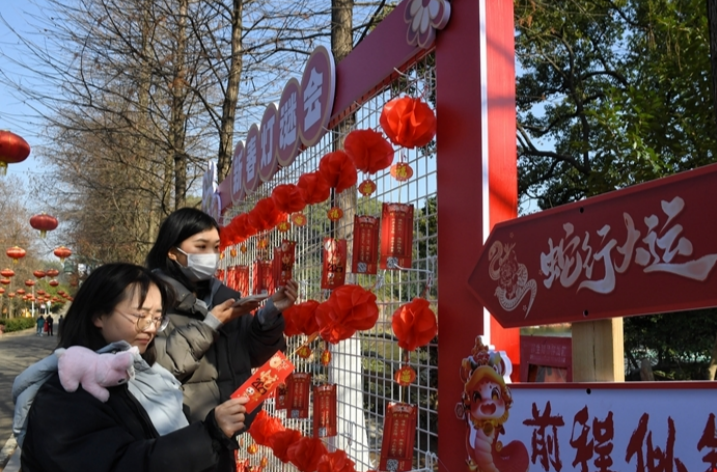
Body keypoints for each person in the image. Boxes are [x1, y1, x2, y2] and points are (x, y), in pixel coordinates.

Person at [16, 263, 252, 472]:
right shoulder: (65, 395)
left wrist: (215, 437)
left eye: (157, 318)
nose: (150, 328)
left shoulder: (149, 376)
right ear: (99, 315)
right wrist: (209, 435)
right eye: (141, 315)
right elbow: (118, 463)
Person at [146, 208, 298, 472]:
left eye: (215, 247)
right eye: (200, 246)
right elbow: (159, 364)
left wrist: (268, 316)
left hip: (223, 437)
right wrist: (210, 325)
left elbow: (254, 353)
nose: (210, 256)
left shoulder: (223, 296)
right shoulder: (151, 299)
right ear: (173, 252)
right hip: (174, 439)